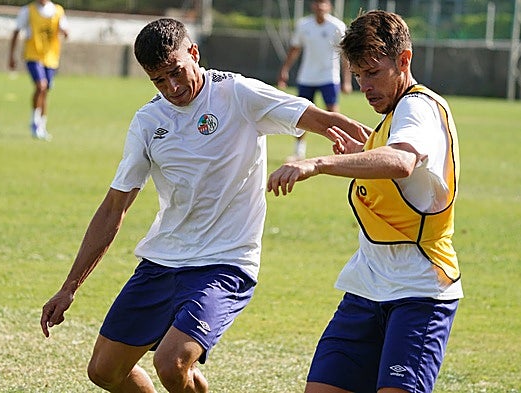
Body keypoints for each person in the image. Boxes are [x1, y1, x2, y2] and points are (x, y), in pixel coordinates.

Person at [40, 18, 370, 393]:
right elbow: (115, 206)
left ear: (194, 53)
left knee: (170, 361)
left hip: (225, 262)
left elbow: (321, 119)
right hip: (163, 260)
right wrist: (69, 287)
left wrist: (370, 146)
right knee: (104, 371)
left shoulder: (238, 93)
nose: (173, 87)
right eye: (159, 81)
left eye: (176, 72)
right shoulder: (149, 121)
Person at [268, 10, 462, 393]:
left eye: (373, 73)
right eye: (357, 75)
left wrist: (319, 163)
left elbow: (402, 161)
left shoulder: (417, 107)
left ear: (404, 61)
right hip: (367, 286)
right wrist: (364, 150)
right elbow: (395, 163)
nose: (364, 86)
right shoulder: (393, 116)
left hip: (419, 290)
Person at [277, 0, 352, 162]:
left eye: (323, 3)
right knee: (302, 114)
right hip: (307, 77)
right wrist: (285, 70)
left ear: (329, 6)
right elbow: (295, 48)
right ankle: (298, 152)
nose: (320, 6)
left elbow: (345, 56)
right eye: (317, 3)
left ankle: (343, 148)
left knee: (333, 114)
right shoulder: (304, 25)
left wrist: (347, 81)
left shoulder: (337, 26)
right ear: (312, 6)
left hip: (329, 77)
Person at [8, 0, 68, 141]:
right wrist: (11, 55)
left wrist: (64, 32)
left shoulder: (58, 11)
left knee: (45, 90)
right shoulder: (28, 11)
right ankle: (34, 122)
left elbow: (65, 29)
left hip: (51, 58)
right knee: (41, 86)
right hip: (33, 55)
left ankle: (42, 124)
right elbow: (16, 31)